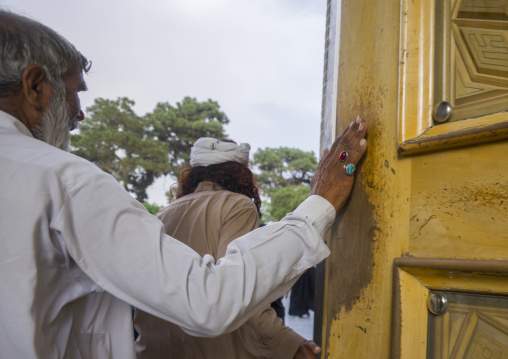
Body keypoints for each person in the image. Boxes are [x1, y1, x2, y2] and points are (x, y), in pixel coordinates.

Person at [0, 9, 368, 359]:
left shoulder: (164, 211)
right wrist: (318, 205)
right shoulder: (65, 181)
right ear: (34, 86)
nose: (79, 111)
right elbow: (210, 300)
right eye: (75, 91)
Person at [134, 138, 320, 359]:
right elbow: (240, 289)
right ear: (239, 172)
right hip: (213, 348)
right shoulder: (237, 206)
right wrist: (289, 343)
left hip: (154, 347)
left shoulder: (162, 215)